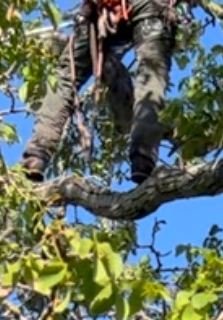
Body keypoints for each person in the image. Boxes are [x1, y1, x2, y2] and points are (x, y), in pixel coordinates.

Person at [22, 1, 182, 187]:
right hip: (147, 8)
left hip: (103, 8)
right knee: (151, 76)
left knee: (66, 78)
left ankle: (36, 156)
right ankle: (143, 158)